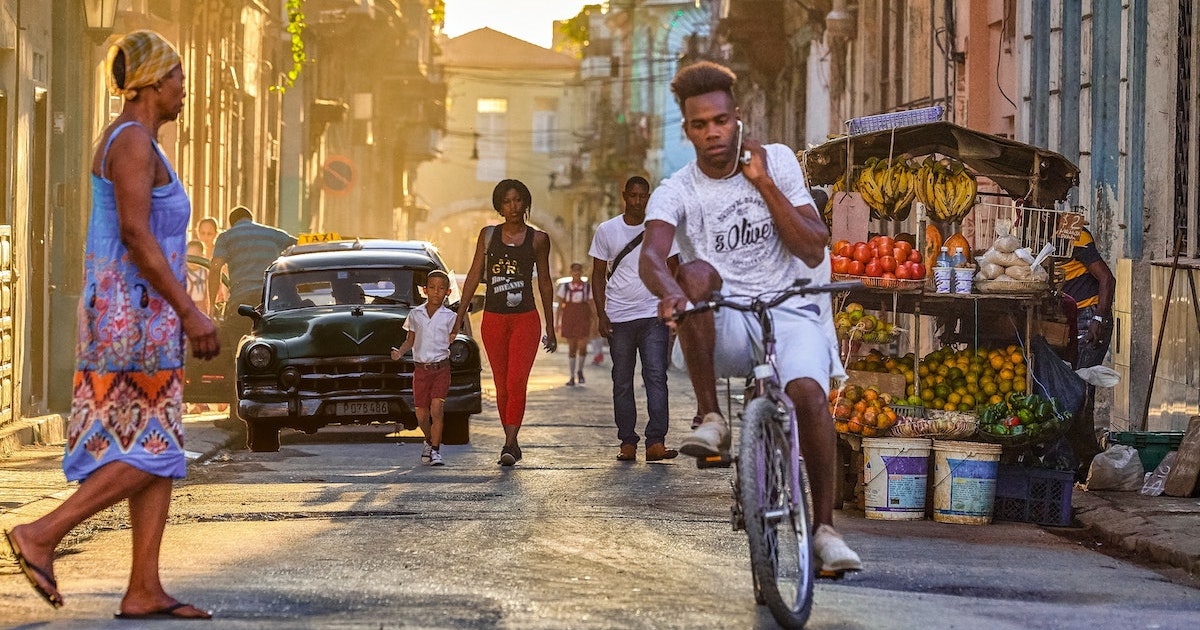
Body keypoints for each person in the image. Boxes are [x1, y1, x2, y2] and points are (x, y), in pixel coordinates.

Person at [2, 30, 219, 619]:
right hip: (131, 319)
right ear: (150, 82)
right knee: (158, 448)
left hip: (141, 318)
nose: (183, 89)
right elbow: (136, 235)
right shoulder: (131, 144)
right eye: (176, 78)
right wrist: (191, 310)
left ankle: (143, 587)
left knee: (156, 446)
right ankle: (42, 532)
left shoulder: (142, 141)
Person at [638, 61, 861, 573]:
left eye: (720, 120)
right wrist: (671, 294)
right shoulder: (677, 188)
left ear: (737, 117)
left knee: (807, 394)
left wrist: (763, 184)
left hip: (790, 307)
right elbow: (653, 256)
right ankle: (711, 416)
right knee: (694, 273)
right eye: (700, 124)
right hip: (726, 321)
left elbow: (810, 249)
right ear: (687, 129)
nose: (713, 132)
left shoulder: (778, 161)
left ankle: (825, 531)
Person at [453, 179, 557, 467]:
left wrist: (550, 326)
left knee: (516, 381)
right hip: (494, 319)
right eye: (507, 201)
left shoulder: (539, 239)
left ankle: (509, 442)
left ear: (525, 203)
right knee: (501, 384)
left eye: (518, 200)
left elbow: (545, 283)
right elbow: (474, 276)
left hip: (525, 319)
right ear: (499, 206)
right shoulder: (488, 236)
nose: (513, 206)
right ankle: (511, 437)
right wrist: (459, 317)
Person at [591, 176, 681, 462]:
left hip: (653, 315)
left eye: (643, 196)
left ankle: (656, 441)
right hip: (619, 317)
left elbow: (675, 266)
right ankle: (627, 442)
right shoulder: (607, 230)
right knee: (622, 381)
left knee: (656, 376)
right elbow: (597, 275)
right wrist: (601, 314)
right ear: (624, 196)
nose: (638, 201)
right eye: (633, 196)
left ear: (649, 197)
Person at [1060, 226, 1116, 479]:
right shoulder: (1034, 236)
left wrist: (1099, 319)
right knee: (1072, 387)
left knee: (1081, 389)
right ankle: (1081, 458)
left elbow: (1107, 278)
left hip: (1088, 318)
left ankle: (1086, 459)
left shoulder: (1074, 234)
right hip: (1069, 319)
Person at [390, 270, 458, 466]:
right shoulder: (415, 314)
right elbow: (409, 340)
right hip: (421, 370)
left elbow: (454, 336)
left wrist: (454, 336)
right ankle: (428, 439)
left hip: (441, 369)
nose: (436, 292)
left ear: (448, 292)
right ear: (425, 290)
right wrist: (400, 352)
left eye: (441, 289)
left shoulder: (450, 317)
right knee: (421, 414)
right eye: (433, 288)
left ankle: (436, 451)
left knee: (437, 408)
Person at [206, 205, 296, 325]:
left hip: (241, 302)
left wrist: (212, 305)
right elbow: (299, 244)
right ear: (251, 219)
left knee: (239, 340)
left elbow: (215, 268)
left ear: (232, 224)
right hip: (270, 300)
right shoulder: (272, 234)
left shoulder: (226, 237)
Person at [555, 262, 594, 386]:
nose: (576, 273)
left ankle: (580, 370)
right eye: (574, 271)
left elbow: (592, 306)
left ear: (582, 273)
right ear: (571, 272)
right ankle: (572, 375)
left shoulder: (587, 288)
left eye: (579, 271)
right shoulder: (565, 288)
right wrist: (556, 322)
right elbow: (560, 306)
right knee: (572, 346)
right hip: (569, 317)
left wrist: (595, 322)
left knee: (582, 345)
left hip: (583, 317)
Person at [186, 239, 210, 313]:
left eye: (196, 256)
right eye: (190, 256)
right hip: (188, 308)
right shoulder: (184, 274)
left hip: (202, 309)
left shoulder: (205, 273)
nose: (193, 260)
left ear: (202, 256)